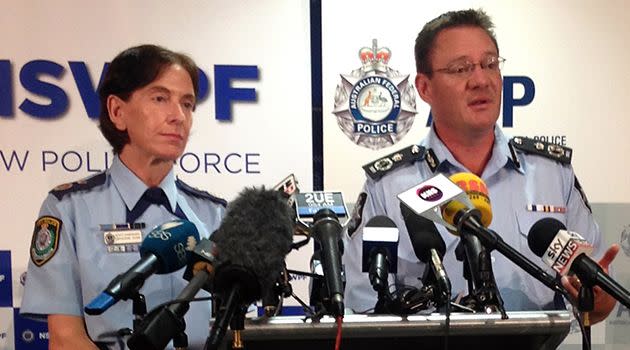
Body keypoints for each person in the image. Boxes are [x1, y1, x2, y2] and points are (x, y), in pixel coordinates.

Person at [343, 9, 618, 324]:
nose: (481, 80)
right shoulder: (390, 186)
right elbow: (361, 305)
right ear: (424, 87)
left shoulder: (551, 173)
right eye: (461, 68)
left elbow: (593, 301)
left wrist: (597, 298)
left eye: (490, 64)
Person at [21, 44, 226, 349]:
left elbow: (236, 327)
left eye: (187, 104)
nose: (178, 116)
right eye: (160, 98)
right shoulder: (68, 209)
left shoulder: (215, 214)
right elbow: (65, 339)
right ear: (117, 111)